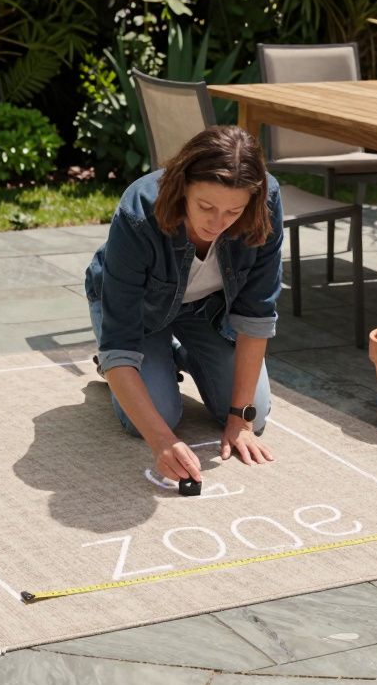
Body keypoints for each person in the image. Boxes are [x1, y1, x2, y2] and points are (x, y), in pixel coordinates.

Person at [84, 125, 283, 485]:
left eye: (233, 212)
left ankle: (178, 355)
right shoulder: (138, 212)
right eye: (205, 206)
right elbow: (121, 339)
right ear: (182, 186)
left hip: (207, 311)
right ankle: (132, 366)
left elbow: (256, 314)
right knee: (148, 420)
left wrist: (239, 417)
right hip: (139, 316)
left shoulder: (265, 202)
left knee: (257, 413)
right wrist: (162, 441)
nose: (217, 224)